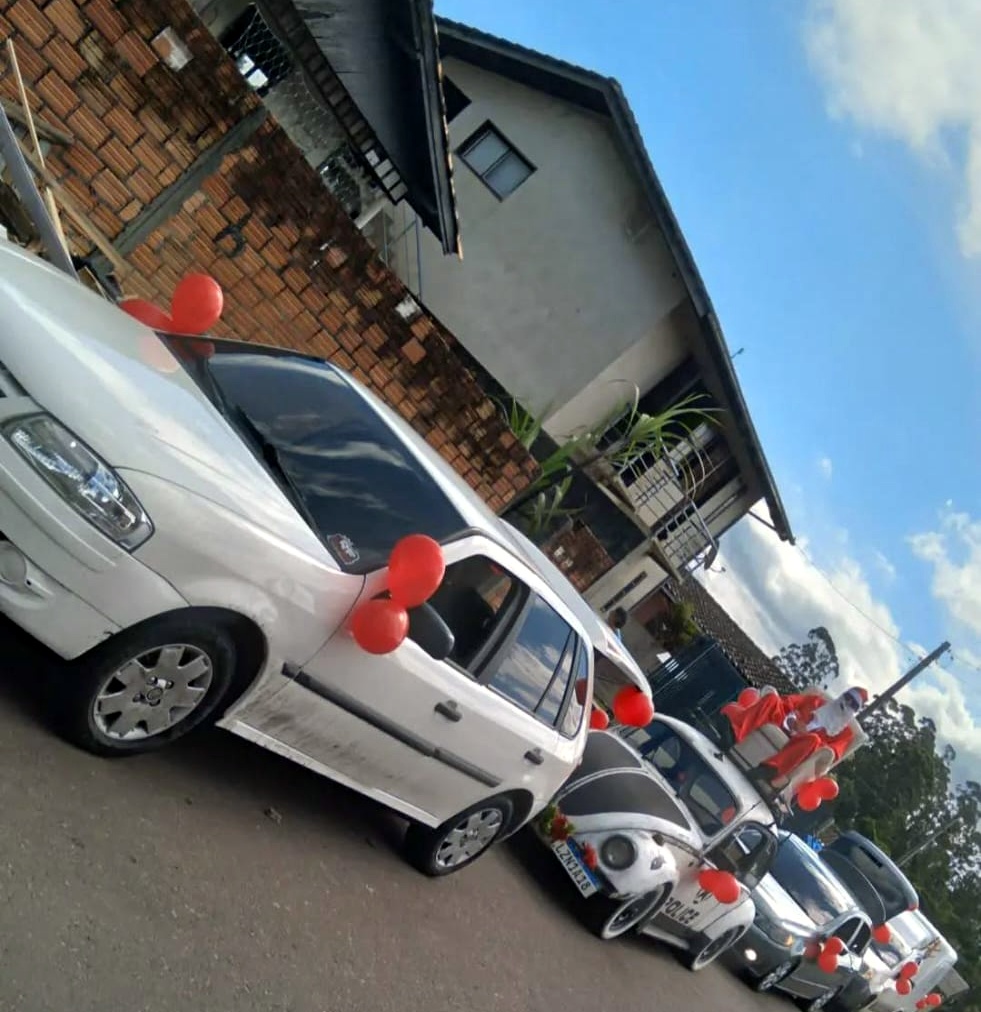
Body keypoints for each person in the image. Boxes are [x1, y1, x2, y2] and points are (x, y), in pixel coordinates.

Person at [721, 686, 868, 786]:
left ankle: (768, 770)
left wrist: (805, 733)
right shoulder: (816, 700)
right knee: (772, 699)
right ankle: (734, 734)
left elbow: (832, 753)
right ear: (843, 695)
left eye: (853, 704)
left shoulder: (846, 733)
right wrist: (792, 720)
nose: (846, 703)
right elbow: (789, 702)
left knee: (814, 740)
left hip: (799, 747)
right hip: (785, 725)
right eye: (847, 697)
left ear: (855, 710)